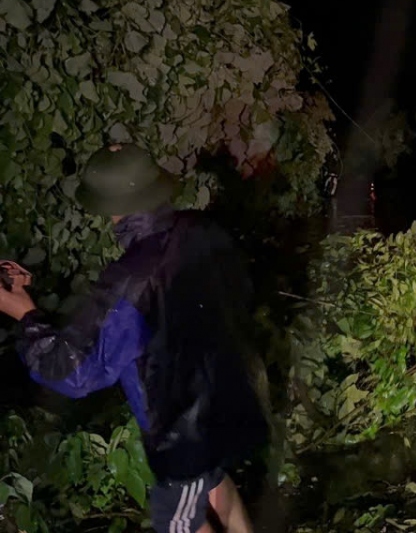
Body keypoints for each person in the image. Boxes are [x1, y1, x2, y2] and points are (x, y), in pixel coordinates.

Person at [0, 144, 267, 533]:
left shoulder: (130, 278)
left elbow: (76, 373)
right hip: (226, 397)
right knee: (214, 485)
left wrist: (24, 314)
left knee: (177, 522)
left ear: (109, 207)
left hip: (181, 430)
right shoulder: (201, 228)